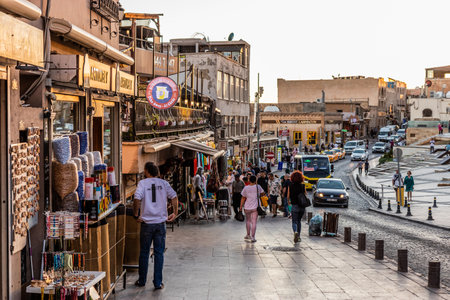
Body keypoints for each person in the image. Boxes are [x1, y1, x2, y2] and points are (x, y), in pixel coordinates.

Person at [133, 162, 178, 289]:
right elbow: (174, 196)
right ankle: (157, 283)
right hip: (160, 224)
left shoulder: (143, 183)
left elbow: (137, 199)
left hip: (146, 224)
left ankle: (142, 281)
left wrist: (136, 215)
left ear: (147, 171)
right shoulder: (164, 184)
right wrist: (175, 212)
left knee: (144, 253)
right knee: (159, 253)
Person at [240, 175, 265, 243]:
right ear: (255, 180)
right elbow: (263, 193)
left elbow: (243, 198)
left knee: (248, 221)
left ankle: (248, 234)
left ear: (249, 180)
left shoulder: (246, 188)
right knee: (254, 222)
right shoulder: (258, 187)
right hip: (255, 207)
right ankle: (253, 237)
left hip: (247, 207)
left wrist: (240, 207)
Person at [287, 171, 306, 243]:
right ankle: (299, 236)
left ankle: (295, 232)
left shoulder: (290, 186)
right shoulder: (302, 186)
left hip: (294, 205)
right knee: (299, 221)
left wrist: (288, 202)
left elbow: (288, 196)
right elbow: (305, 194)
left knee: (294, 221)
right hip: (302, 206)